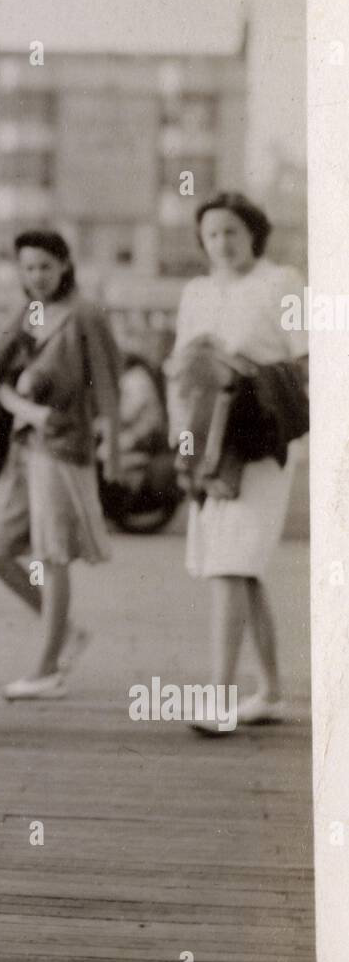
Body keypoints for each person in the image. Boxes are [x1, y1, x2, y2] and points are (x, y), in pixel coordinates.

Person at [166, 192, 309, 733]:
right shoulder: (196, 290)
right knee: (235, 564)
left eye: (231, 231)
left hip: (260, 432)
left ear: (254, 232)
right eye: (211, 235)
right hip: (210, 436)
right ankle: (269, 690)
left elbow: (308, 358)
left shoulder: (281, 282)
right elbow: (180, 367)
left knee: (232, 561)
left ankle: (220, 701)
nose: (221, 243)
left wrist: (239, 367)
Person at [0, 231, 121, 700]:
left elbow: (109, 385)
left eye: (45, 266)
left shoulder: (85, 313)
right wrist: (13, 404)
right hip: (23, 447)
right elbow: (0, 379)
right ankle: (67, 634)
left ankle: (46, 668)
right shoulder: (27, 315)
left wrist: (112, 447)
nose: (37, 276)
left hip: (63, 447)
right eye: (29, 267)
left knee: (53, 555)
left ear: (65, 265)